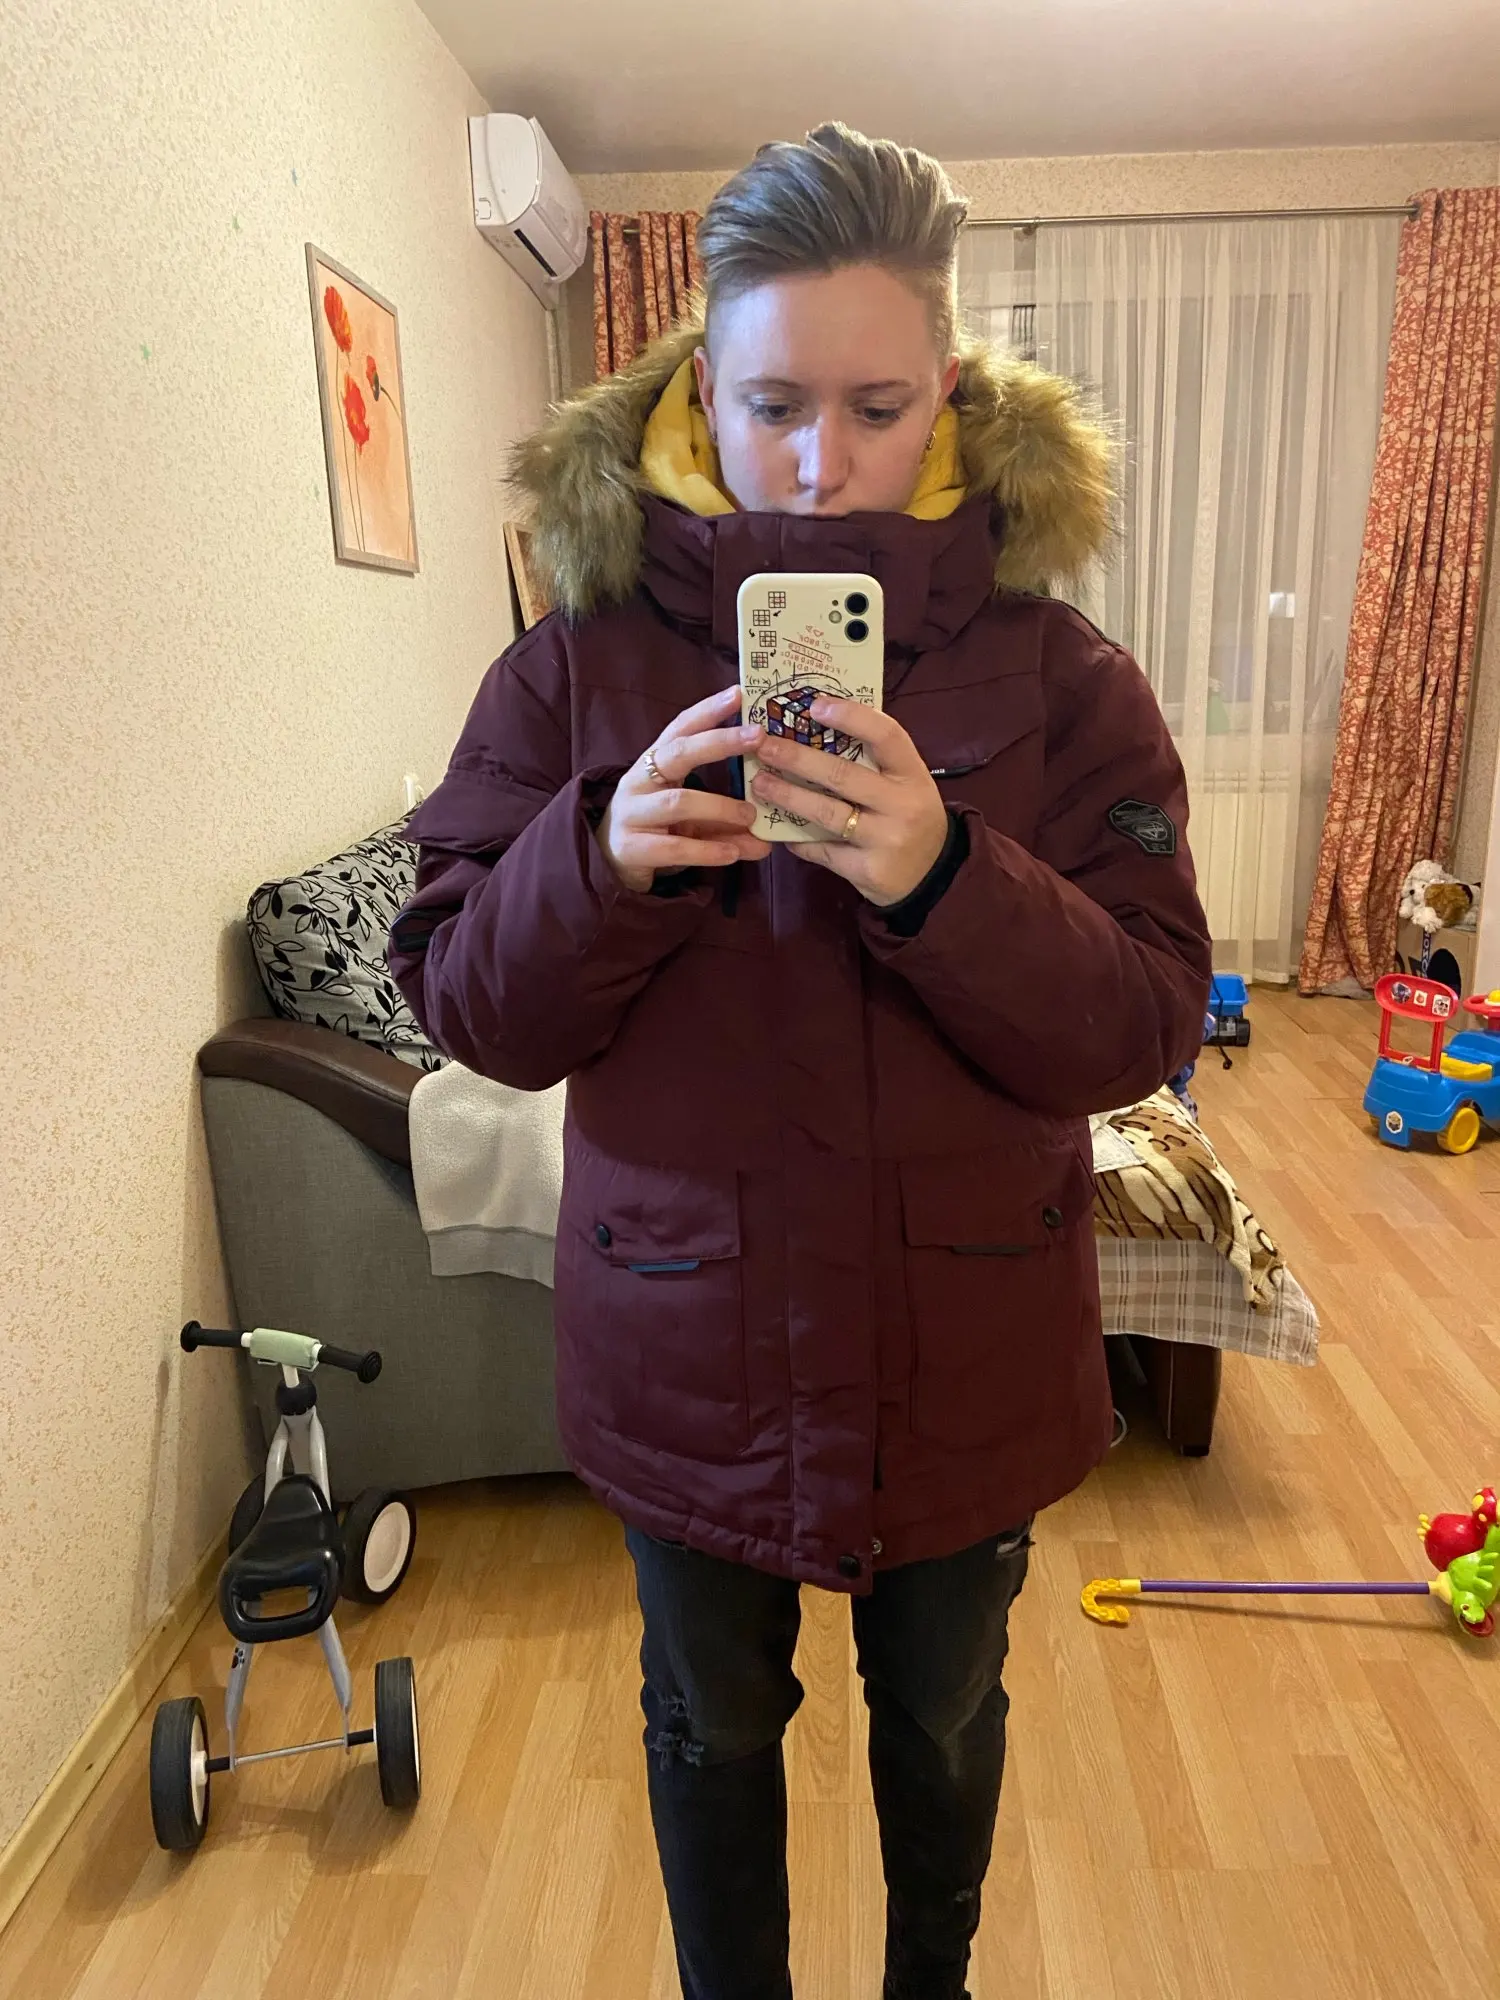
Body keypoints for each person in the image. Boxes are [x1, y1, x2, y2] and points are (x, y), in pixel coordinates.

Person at [388, 125, 1211, 2000]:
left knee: (946, 1715)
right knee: (709, 1727)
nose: (822, 462)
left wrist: (946, 877)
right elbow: (470, 1010)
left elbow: (1146, 1025)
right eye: (773, 406)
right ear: (702, 384)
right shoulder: (571, 672)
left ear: (952, 394)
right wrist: (598, 863)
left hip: (970, 1341)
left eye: (876, 406)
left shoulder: (1067, 679)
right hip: (683, 1343)